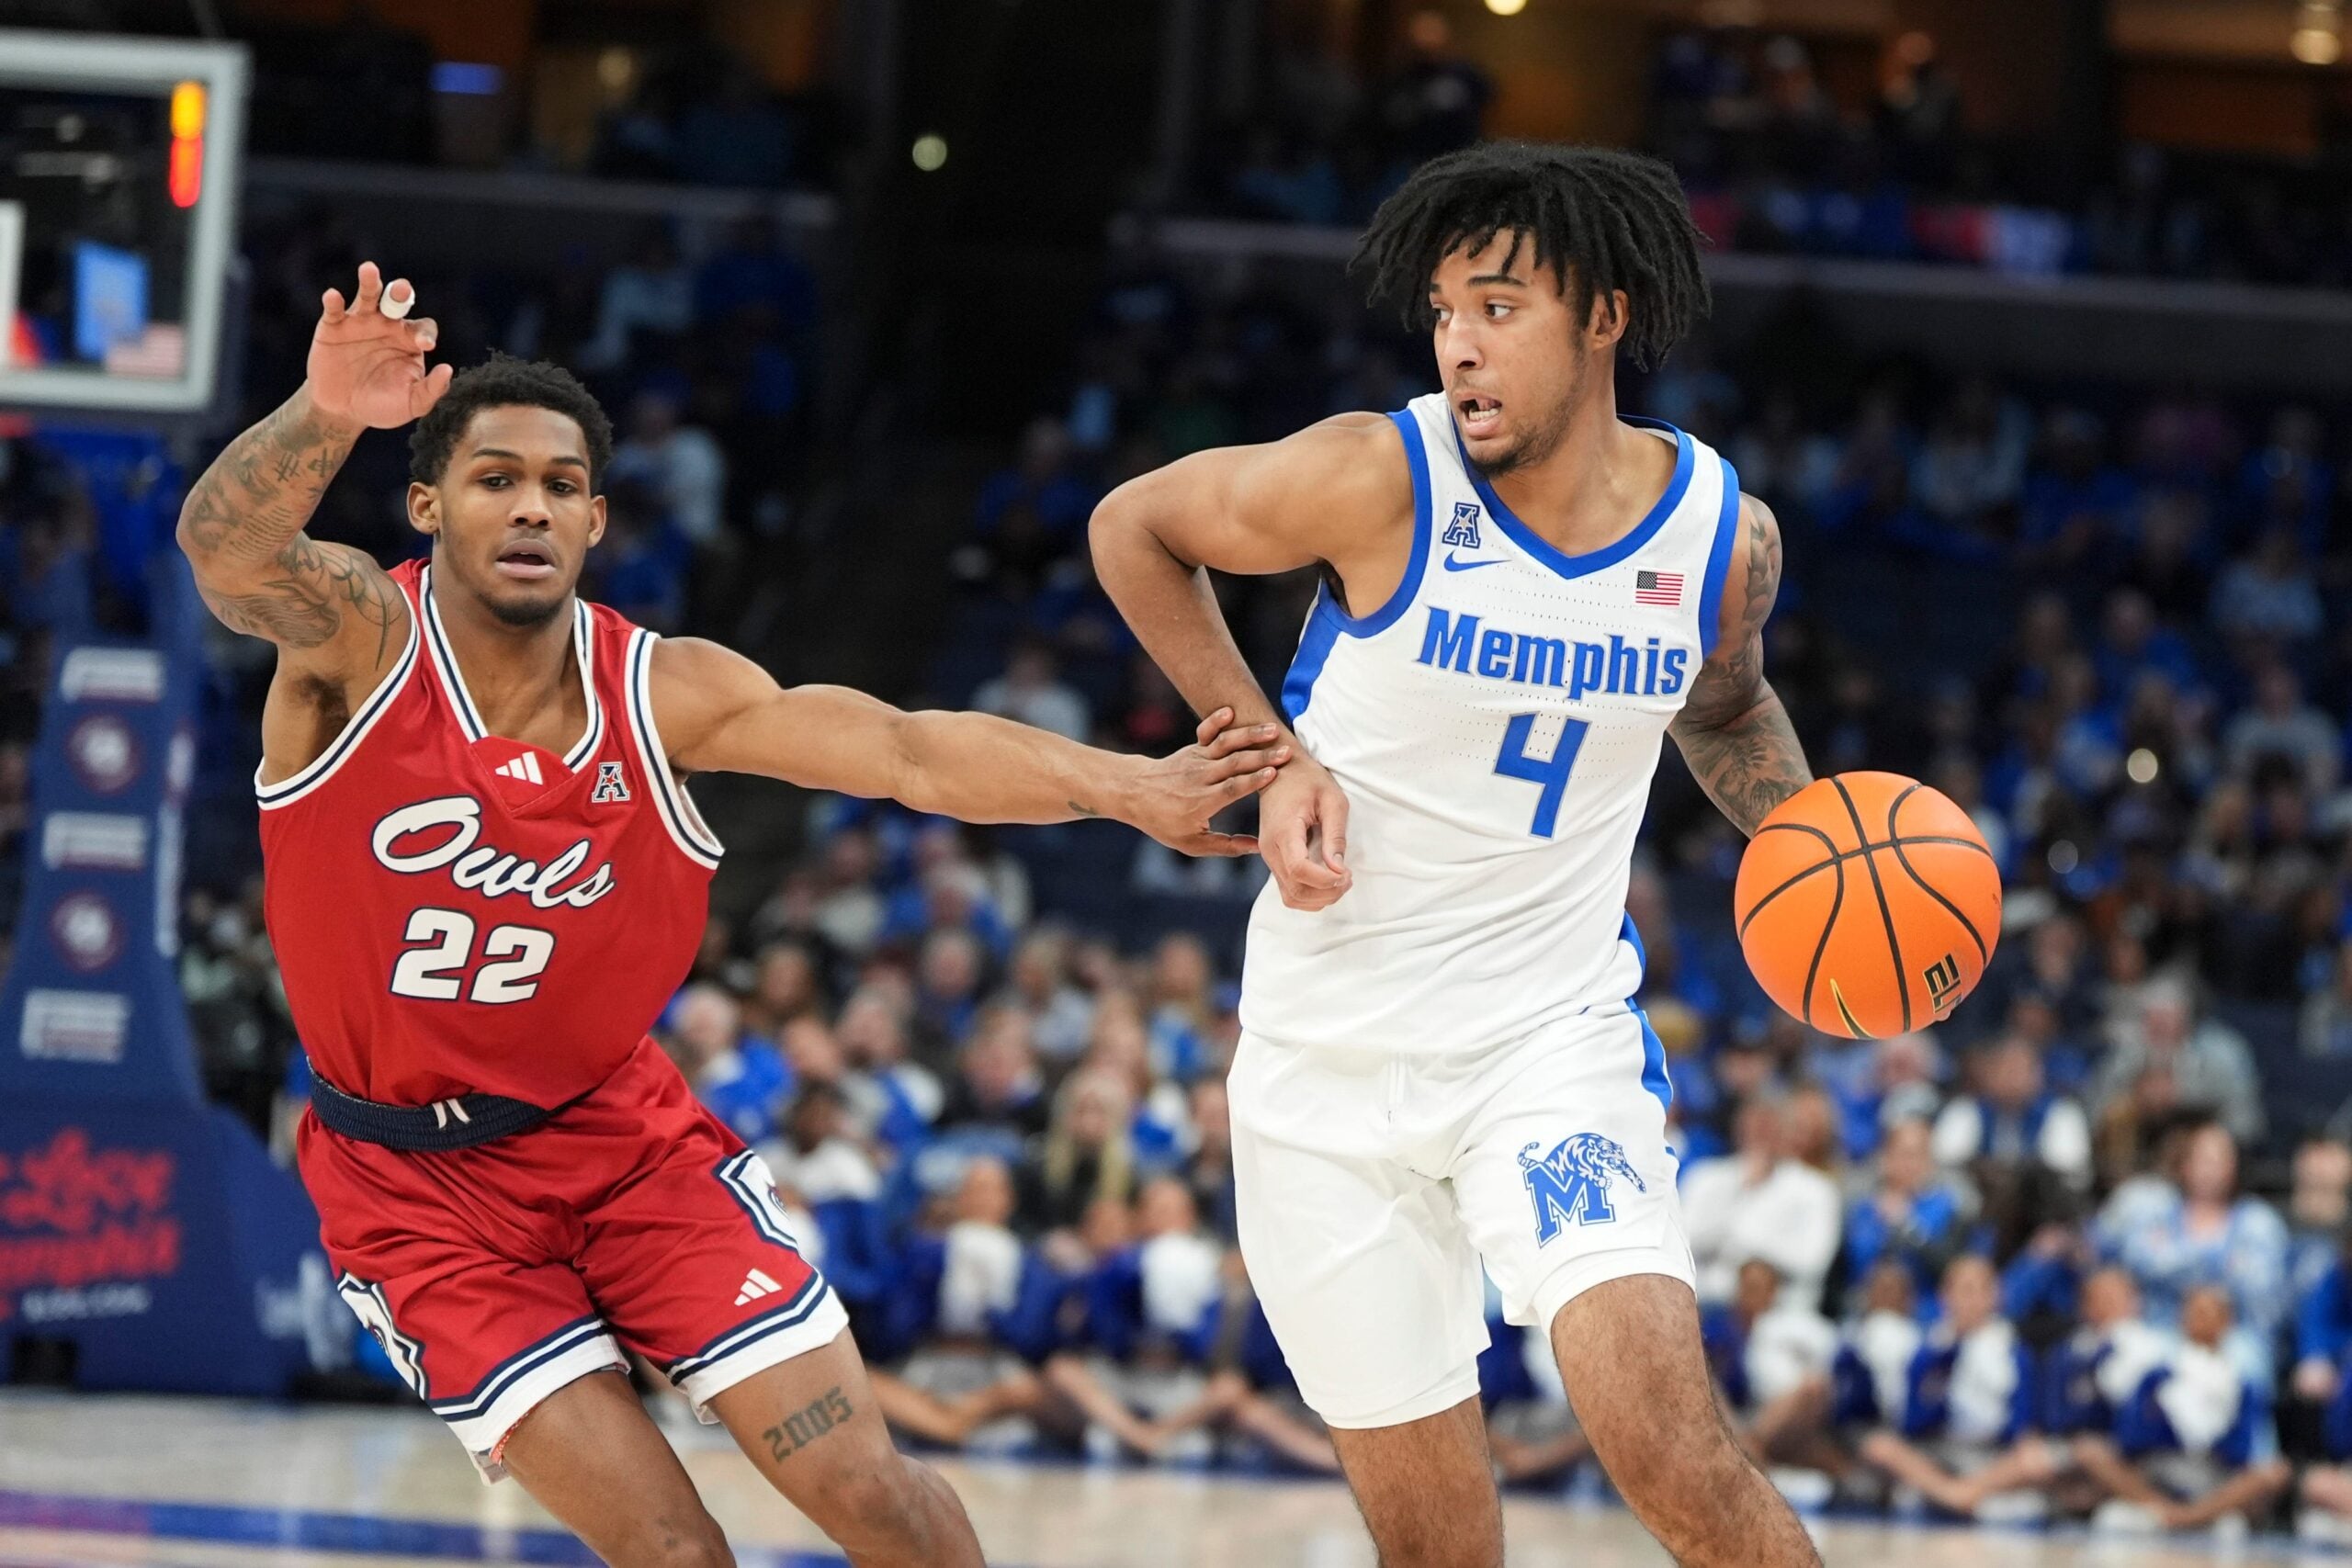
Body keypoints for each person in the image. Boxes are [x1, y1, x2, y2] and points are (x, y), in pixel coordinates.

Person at [178, 263, 1287, 1568]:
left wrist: (1130, 787)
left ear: (597, 519)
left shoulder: (665, 692)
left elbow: (907, 751)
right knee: (673, 1551)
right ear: (426, 506)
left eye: (561, 486)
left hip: (621, 1146)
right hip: (413, 1192)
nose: (531, 506)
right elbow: (228, 555)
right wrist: (323, 412)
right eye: (495, 479)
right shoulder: (359, 644)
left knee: (869, 1492)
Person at [1091, 143, 1821, 1565]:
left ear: (1604, 316)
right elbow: (1136, 528)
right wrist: (1269, 752)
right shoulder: (1378, 475)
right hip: (1322, 1068)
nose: (1459, 346)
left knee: (1675, 1456)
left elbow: (1727, 708)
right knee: (1438, 1549)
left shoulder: (1720, 540)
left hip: (1546, 1048)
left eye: (1499, 308)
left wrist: (1818, 847)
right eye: (1443, 312)